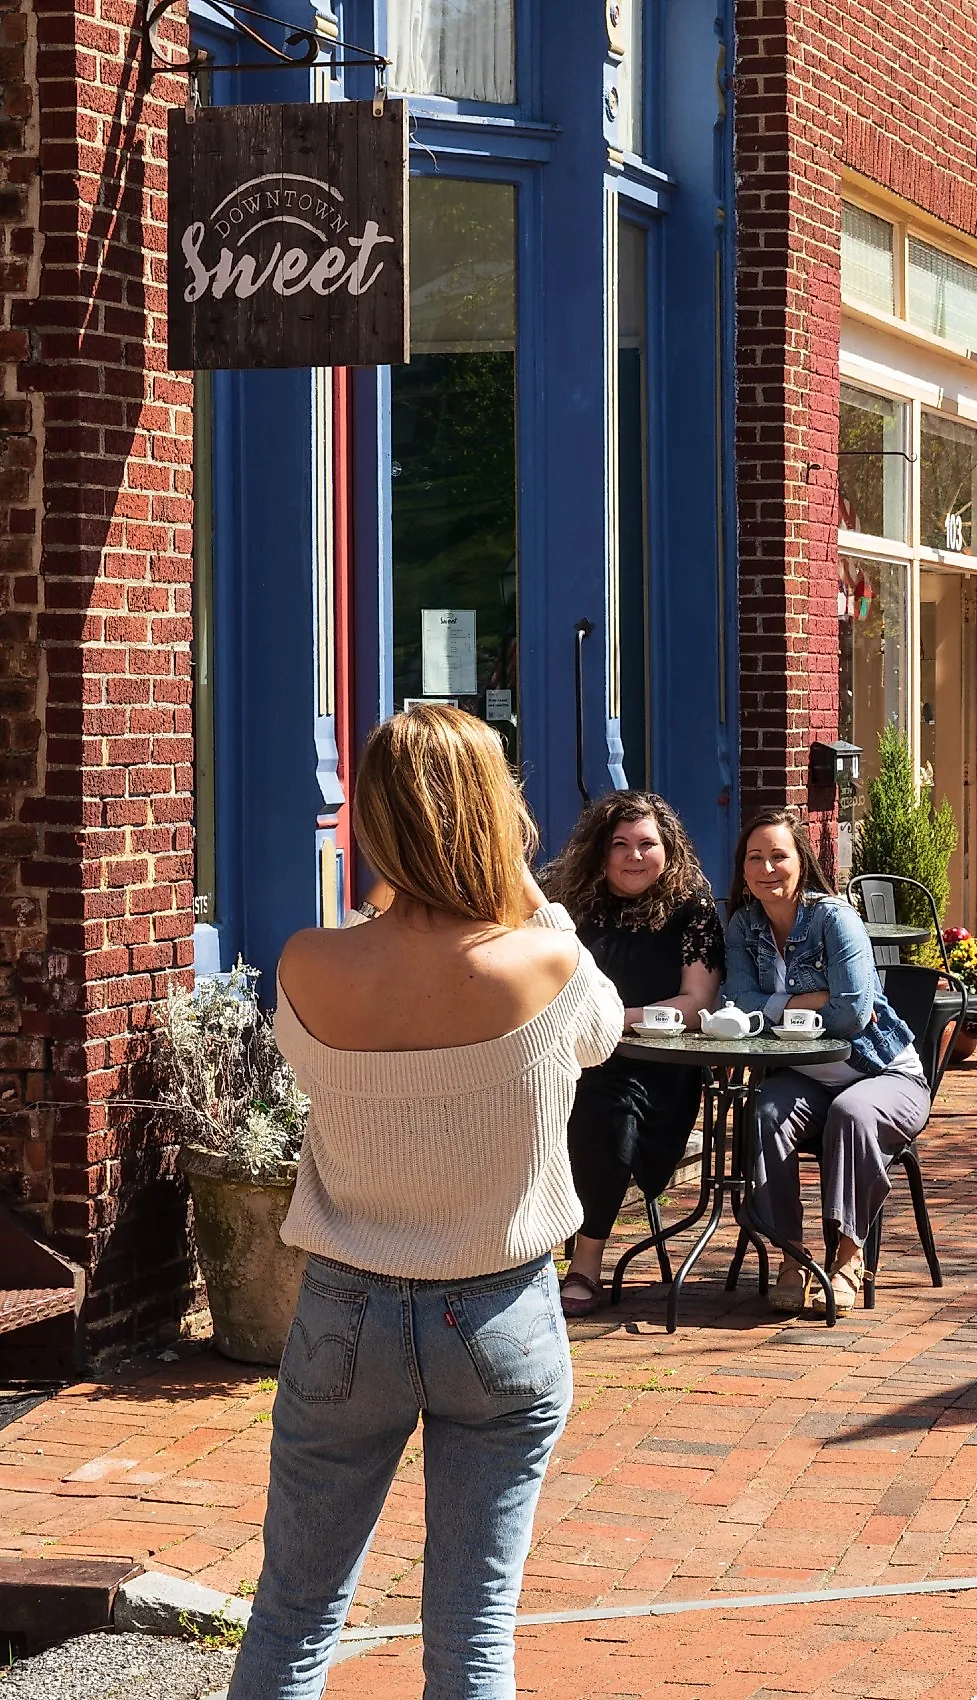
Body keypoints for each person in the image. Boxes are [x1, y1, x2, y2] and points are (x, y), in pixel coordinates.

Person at [230, 704, 624, 1700]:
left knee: (291, 1618)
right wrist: (521, 889)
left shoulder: (309, 962)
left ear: (372, 819)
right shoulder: (548, 962)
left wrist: (401, 887)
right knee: (473, 1637)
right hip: (498, 1311)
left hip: (343, 1315)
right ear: (495, 814)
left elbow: (326, 1027)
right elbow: (604, 1030)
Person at [721, 805, 929, 1316]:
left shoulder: (835, 919)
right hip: (806, 1077)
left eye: (779, 856)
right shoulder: (743, 926)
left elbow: (853, 1015)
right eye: (756, 857)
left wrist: (774, 1006)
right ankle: (793, 1257)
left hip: (883, 1073)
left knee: (852, 1114)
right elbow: (738, 1003)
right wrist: (814, 999)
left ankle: (849, 1259)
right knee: (764, 1110)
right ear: (743, 870)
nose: (767, 868)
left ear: (801, 862)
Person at [538, 791, 726, 1316]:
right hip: (567, 1056)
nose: (634, 855)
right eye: (620, 844)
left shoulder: (692, 913)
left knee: (607, 1112)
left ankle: (585, 1264)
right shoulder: (570, 906)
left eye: (647, 844)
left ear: (669, 849)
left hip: (653, 1065)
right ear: (600, 852)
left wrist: (611, 1020)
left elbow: (696, 1003)